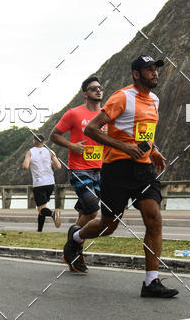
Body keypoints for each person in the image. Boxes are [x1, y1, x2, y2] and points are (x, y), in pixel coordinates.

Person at [62, 54, 178, 299]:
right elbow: (91, 129)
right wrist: (124, 147)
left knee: (154, 218)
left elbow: (143, 132)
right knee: (108, 225)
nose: (154, 73)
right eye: (148, 69)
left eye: (156, 69)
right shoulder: (122, 97)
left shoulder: (154, 100)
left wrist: (154, 149)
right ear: (136, 74)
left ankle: (151, 281)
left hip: (143, 169)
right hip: (116, 169)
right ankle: (76, 236)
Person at [50, 75, 105, 229]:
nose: (98, 91)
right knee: (93, 211)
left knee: (84, 212)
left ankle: (74, 249)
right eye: (94, 88)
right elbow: (54, 135)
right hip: (79, 170)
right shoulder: (74, 113)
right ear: (85, 94)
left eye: (100, 88)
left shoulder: (106, 115)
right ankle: (73, 241)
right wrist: (72, 145)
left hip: (100, 170)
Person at [22, 134, 62, 231]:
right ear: (44, 142)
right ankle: (39, 230)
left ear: (34, 141)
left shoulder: (30, 152)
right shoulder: (50, 152)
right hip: (50, 183)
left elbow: (25, 167)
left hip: (39, 183)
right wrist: (51, 162)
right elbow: (59, 166)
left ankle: (53, 214)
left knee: (41, 208)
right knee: (42, 208)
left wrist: (29, 161)